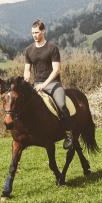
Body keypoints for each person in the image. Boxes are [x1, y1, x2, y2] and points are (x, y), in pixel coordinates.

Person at [24, 19, 73, 150]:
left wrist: (44, 84)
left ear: (43, 31)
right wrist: (26, 82)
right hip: (37, 85)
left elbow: (56, 70)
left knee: (62, 105)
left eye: (37, 32)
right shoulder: (28, 50)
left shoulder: (52, 48)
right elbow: (27, 70)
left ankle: (69, 134)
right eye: (32, 33)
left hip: (53, 84)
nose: (34, 35)